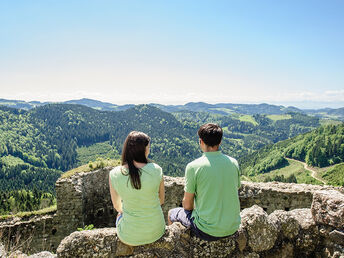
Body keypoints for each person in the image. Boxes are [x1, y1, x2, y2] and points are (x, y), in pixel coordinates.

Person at [168, 123, 241, 241]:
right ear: (220, 141)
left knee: (172, 213)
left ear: (200, 141)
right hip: (233, 227)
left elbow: (187, 203)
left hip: (206, 231)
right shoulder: (234, 163)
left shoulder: (193, 166)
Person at [109, 131, 165, 246]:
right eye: (148, 147)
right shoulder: (157, 170)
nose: (149, 150)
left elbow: (117, 206)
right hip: (156, 230)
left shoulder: (114, 174)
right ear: (144, 150)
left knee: (119, 215)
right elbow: (161, 200)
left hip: (129, 236)